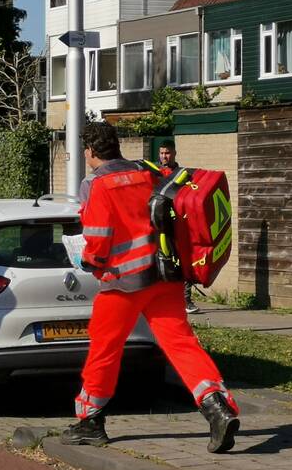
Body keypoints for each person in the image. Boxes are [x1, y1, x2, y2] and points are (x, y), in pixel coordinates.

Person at [61, 122, 240, 453]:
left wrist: (86, 260)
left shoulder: (98, 185)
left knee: (104, 351)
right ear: (116, 146)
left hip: (122, 285)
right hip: (164, 276)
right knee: (182, 345)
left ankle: (90, 421)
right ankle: (218, 407)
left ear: (89, 152)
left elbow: (98, 242)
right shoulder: (149, 171)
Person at [157, 140, 201, 315]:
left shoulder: (182, 175)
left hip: (179, 225)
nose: (163, 156)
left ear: (174, 153)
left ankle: (186, 300)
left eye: (167, 153)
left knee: (182, 261)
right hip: (159, 224)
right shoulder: (156, 173)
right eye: (161, 153)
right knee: (162, 261)